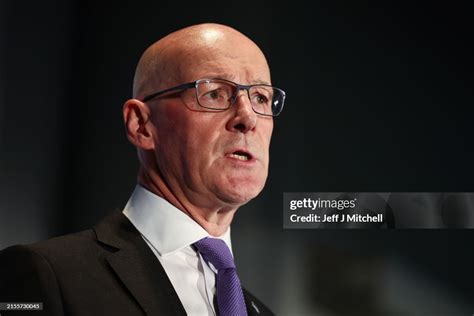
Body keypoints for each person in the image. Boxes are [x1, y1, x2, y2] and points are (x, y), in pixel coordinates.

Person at [0, 23, 285, 315]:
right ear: (141, 125)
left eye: (260, 97)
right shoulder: (47, 274)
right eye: (214, 93)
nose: (248, 118)